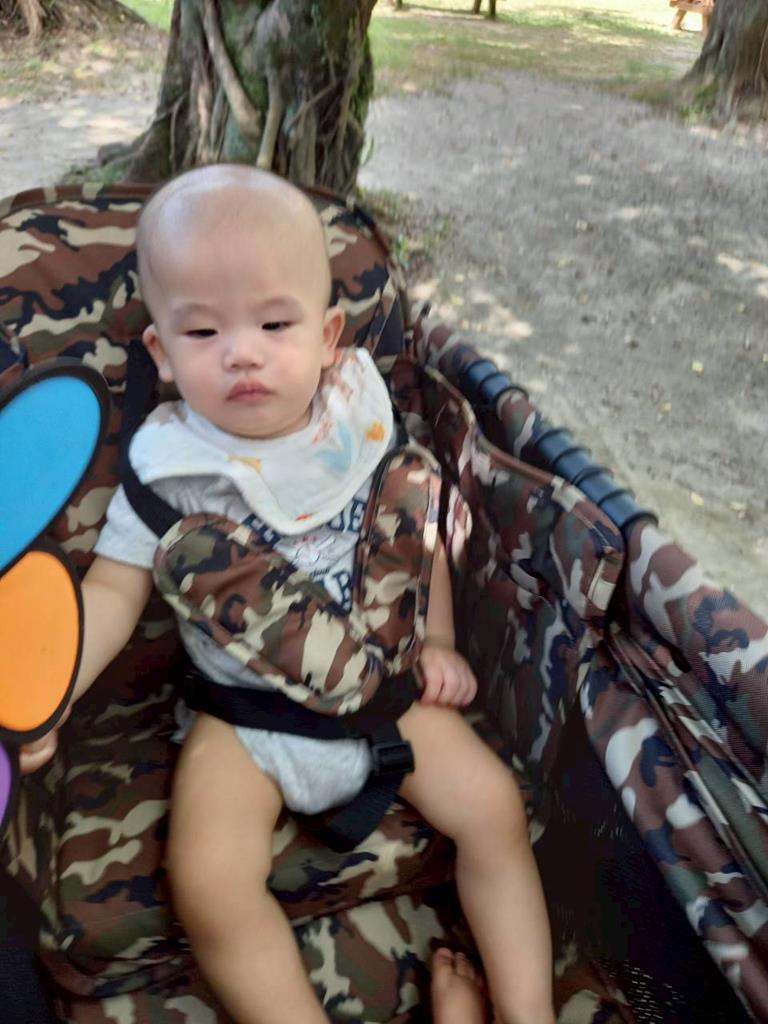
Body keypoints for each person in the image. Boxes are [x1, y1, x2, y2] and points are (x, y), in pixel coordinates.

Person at [20, 165, 555, 1024]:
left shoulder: (358, 418)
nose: (243, 351)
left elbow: (411, 534)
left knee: (495, 809)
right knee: (207, 883)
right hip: (246, 718)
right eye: (202, 331)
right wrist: (48, 695)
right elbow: (113, 592)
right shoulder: (167, 466)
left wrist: (437, 641)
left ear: (328, 334)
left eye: (275, 324)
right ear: (160, 352)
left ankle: (528, 1014)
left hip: (383, 687)